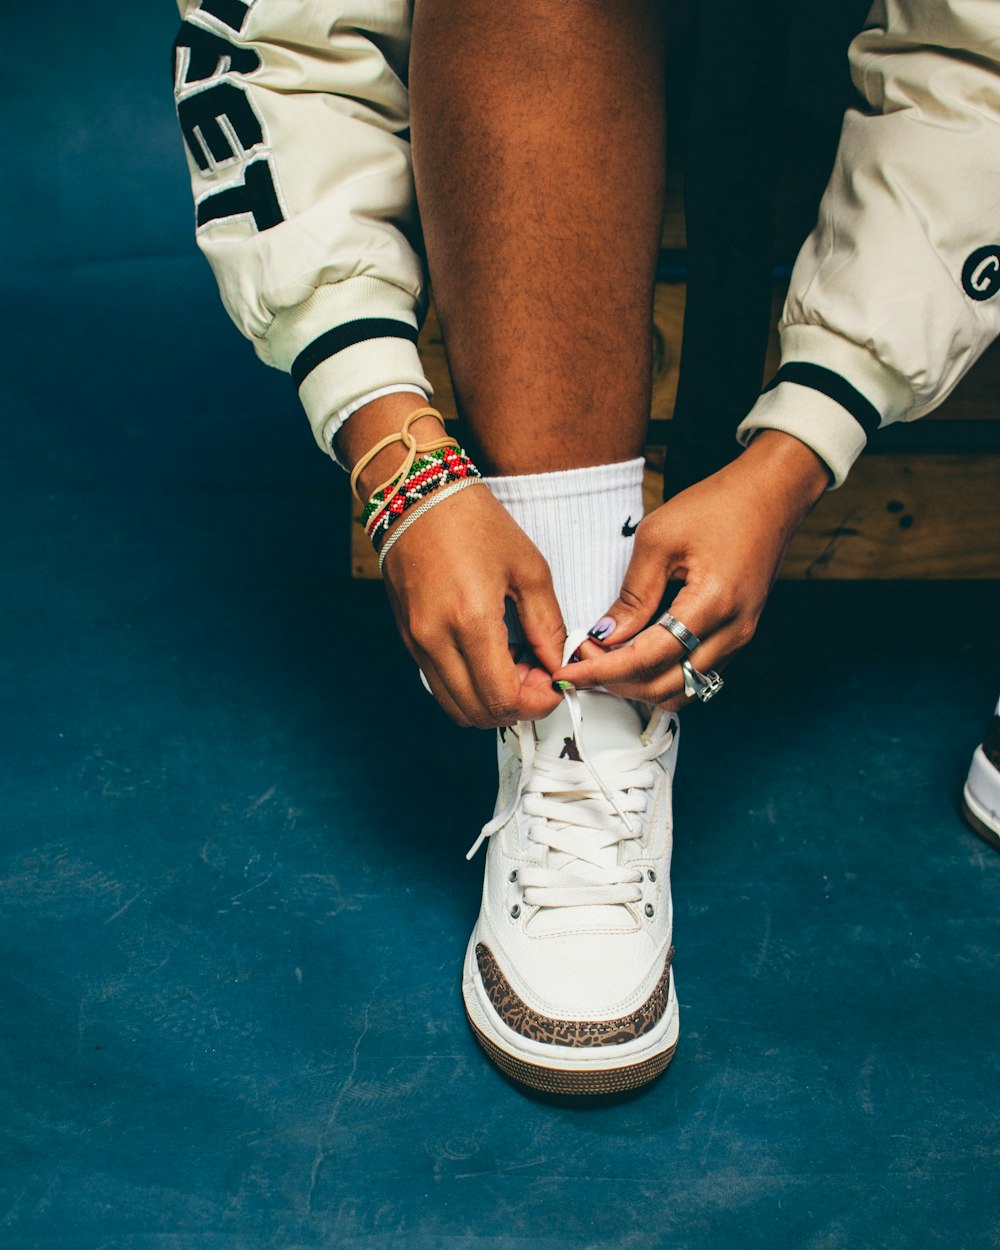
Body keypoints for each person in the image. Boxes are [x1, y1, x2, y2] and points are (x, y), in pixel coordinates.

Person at [172, 0, 1000, 1094]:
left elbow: (979, 62)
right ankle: (580, 722)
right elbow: (271, 39)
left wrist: (803, 439)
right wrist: (395, 452)